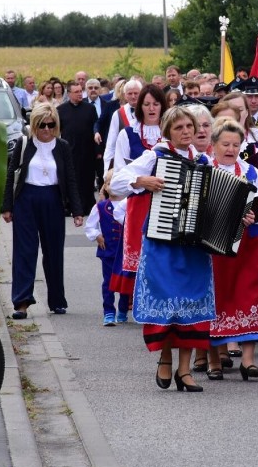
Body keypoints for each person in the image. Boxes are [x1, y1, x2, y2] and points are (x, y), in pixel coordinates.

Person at [110, 106, 215, 392]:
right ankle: (165, 359)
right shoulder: (156, 155)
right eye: (179, 128)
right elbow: (116, 182)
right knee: (167, 303)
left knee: (190, 304)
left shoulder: (204, 161)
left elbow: (216, 203)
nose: (185, 132)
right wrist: (141, 181)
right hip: (161, 243)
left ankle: (185, 370)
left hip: (194, 246)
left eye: (189, 128)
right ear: (168, 131)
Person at [3, 103, 84, 319]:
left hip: (53, 200)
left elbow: (71, 179)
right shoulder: (23, 144)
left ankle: (57, 300)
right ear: (34, 125)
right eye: (41, 125)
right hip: (26, 200)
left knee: (54, 252)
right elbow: (11, 175)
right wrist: (7, 206)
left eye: (51, 125)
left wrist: (77, 210)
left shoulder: (63, 146)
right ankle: (21, 302)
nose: (46, 129)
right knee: (25, 252)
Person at [205, 118, 258, 381]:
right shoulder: (203, 170)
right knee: (215, 296)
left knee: (250, 294)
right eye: (225, 144)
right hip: (212, 244)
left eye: (235, 144)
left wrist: (254, 215)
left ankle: (248, 360)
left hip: (248, 243)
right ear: (213, 145)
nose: (231, 149)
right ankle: (214, 361)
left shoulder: (250, 171)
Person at [110, 84, 167, 306]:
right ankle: (139, 303)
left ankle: (161, 302)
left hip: (166, 203)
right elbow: (118, 178)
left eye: (156, 103)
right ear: (139, 106)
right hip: (140, 203)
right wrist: (141, 180)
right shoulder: (128, 134)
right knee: (140, 254)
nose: (151, 108)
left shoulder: (171, 134)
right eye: (146, 104)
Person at [84, 169, 130, 326]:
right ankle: (109, 311)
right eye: (110, 183)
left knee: (125, 282)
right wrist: (97, 235)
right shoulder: (101, 207)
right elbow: (90, 225)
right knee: (108, 281)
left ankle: (123, 310)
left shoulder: (129, 204)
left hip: (126, 252)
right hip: (108, 251)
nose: (114, 186)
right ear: (105, 186)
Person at [57, 80, 98, 214]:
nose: (80, 94)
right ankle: (71, 206)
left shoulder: (90, 109)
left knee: (87, 180)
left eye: (81, 91)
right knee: (71, 180)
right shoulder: (61, 110)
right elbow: (58, 132)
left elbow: (95, 129)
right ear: (69, 94)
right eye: (76, 92)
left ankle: (87, 207)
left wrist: (98, 151)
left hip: (87, 151)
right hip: (69, 151)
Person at [102, 79, 141, 171]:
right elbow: (111, 143)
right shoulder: (118, 114)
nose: (133, 96)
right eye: (130, 94)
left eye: (136, 93)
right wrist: (106, 170)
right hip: (123, 165)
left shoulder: (149, 112)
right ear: (125, 96)